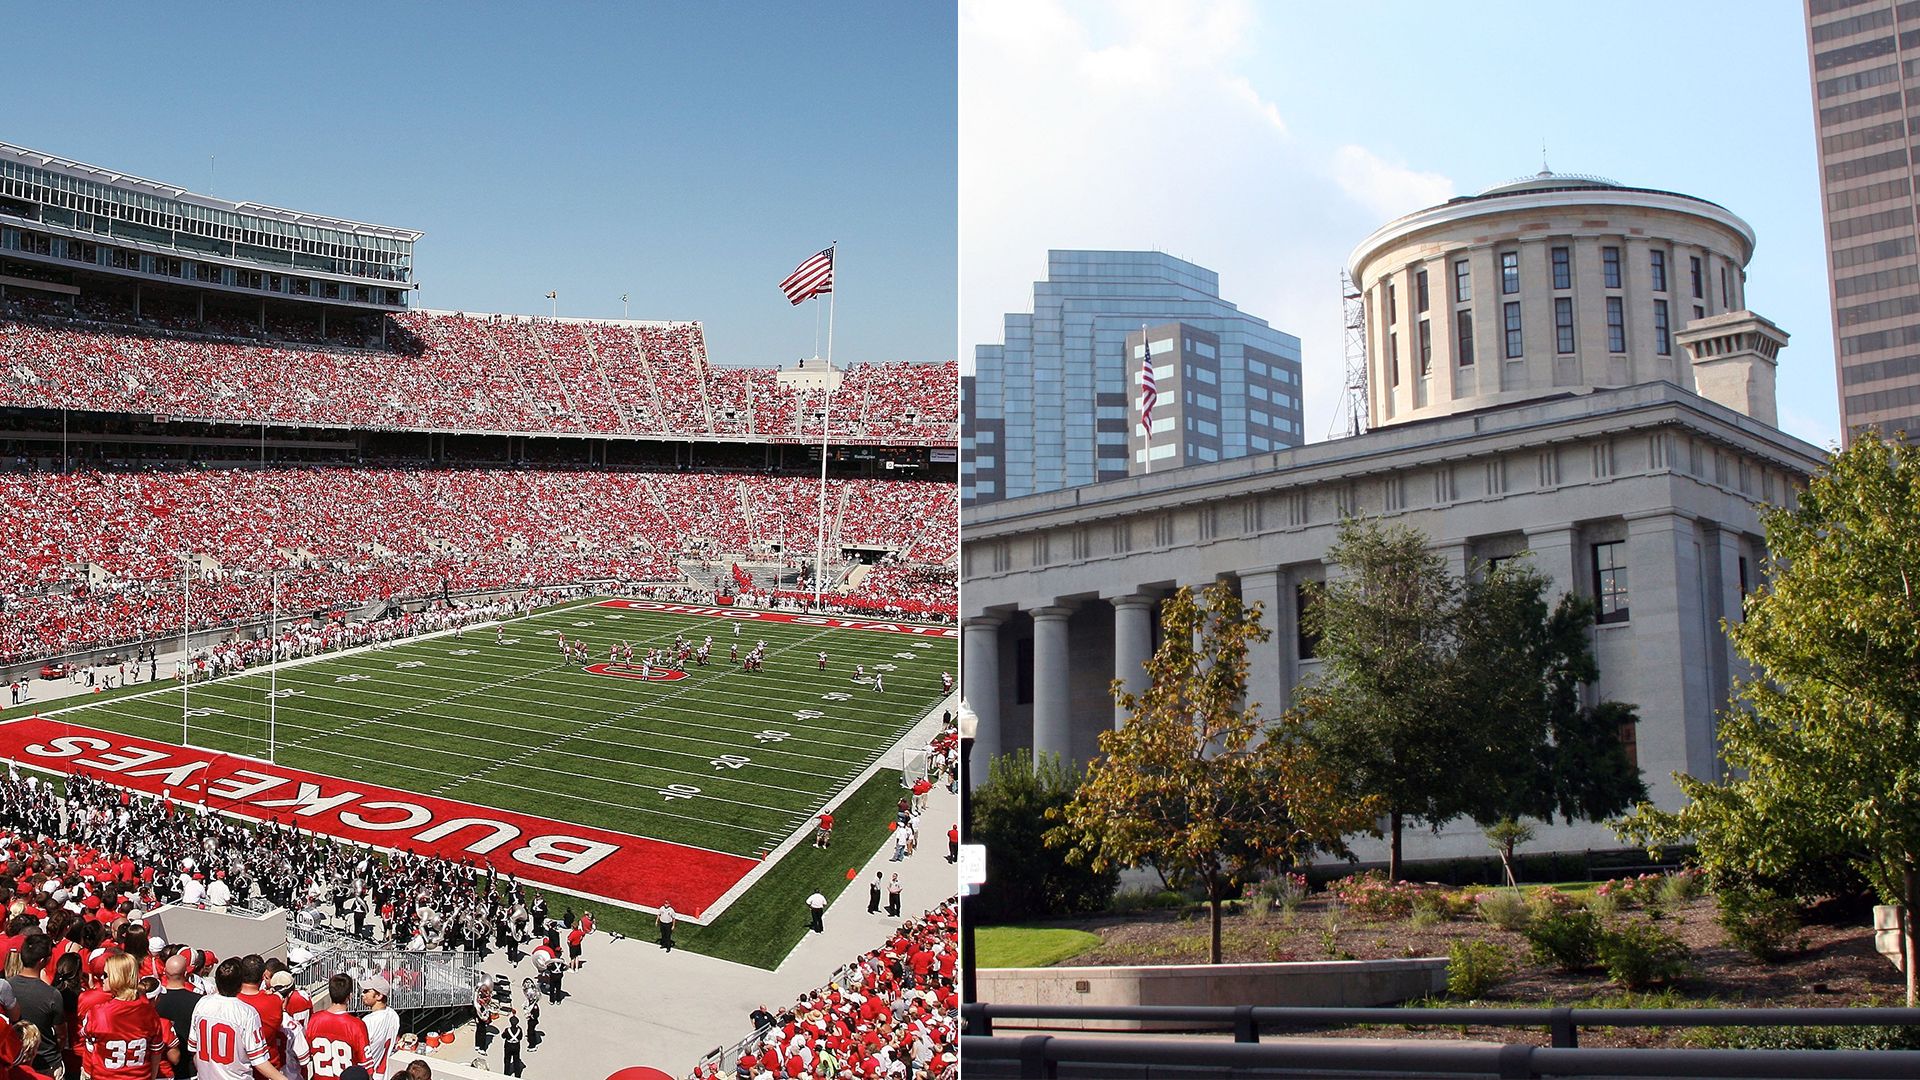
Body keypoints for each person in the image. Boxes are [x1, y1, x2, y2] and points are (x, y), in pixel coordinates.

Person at [190, 958, 288, 1080]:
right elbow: (259, 1061)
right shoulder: (247, 1012)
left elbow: (193, 1048)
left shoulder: (202, 1003)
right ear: (240, 983)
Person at [80, 952, 165, 1080]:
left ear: (117, 977)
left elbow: (88, 1044)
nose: (103, 978)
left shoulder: (98, 1013)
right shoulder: (149, 1012)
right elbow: (156, 1053)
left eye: (106, 975)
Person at [9, 935, 64, 1079]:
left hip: (14, 1060)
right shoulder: (52, 994)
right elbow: (61, 1035)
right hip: (46, 1064)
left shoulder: (6, 987)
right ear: (42, 961)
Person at [304, 974, 369, 1079]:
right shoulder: (356, 1025)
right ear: (350, 996)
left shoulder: (314, 1020)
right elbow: (366, 1065)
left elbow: (307, 1052)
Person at [155, 952, 202, 1080]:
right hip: (189, 1069)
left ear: (164, 972)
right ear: (186, 974)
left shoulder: (155, 1001)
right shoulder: (199, 1001)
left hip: (161, 1070)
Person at [358, 975, 399, 1077]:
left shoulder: (368, 1022)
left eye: (367, 991)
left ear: (379, 996)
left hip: (370, 1074)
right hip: (383, 1074)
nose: (362, 994)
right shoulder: (393, 1015)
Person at [500, 1012, 523, 1078]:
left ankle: (506, 1073)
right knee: (516, 1060)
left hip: (508, 1046)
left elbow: (503, 1036)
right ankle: (517, 1075)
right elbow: (520, 1037)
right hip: (516, 1046)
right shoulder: (519, 1030)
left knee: (507, 1060)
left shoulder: (507, 1030)